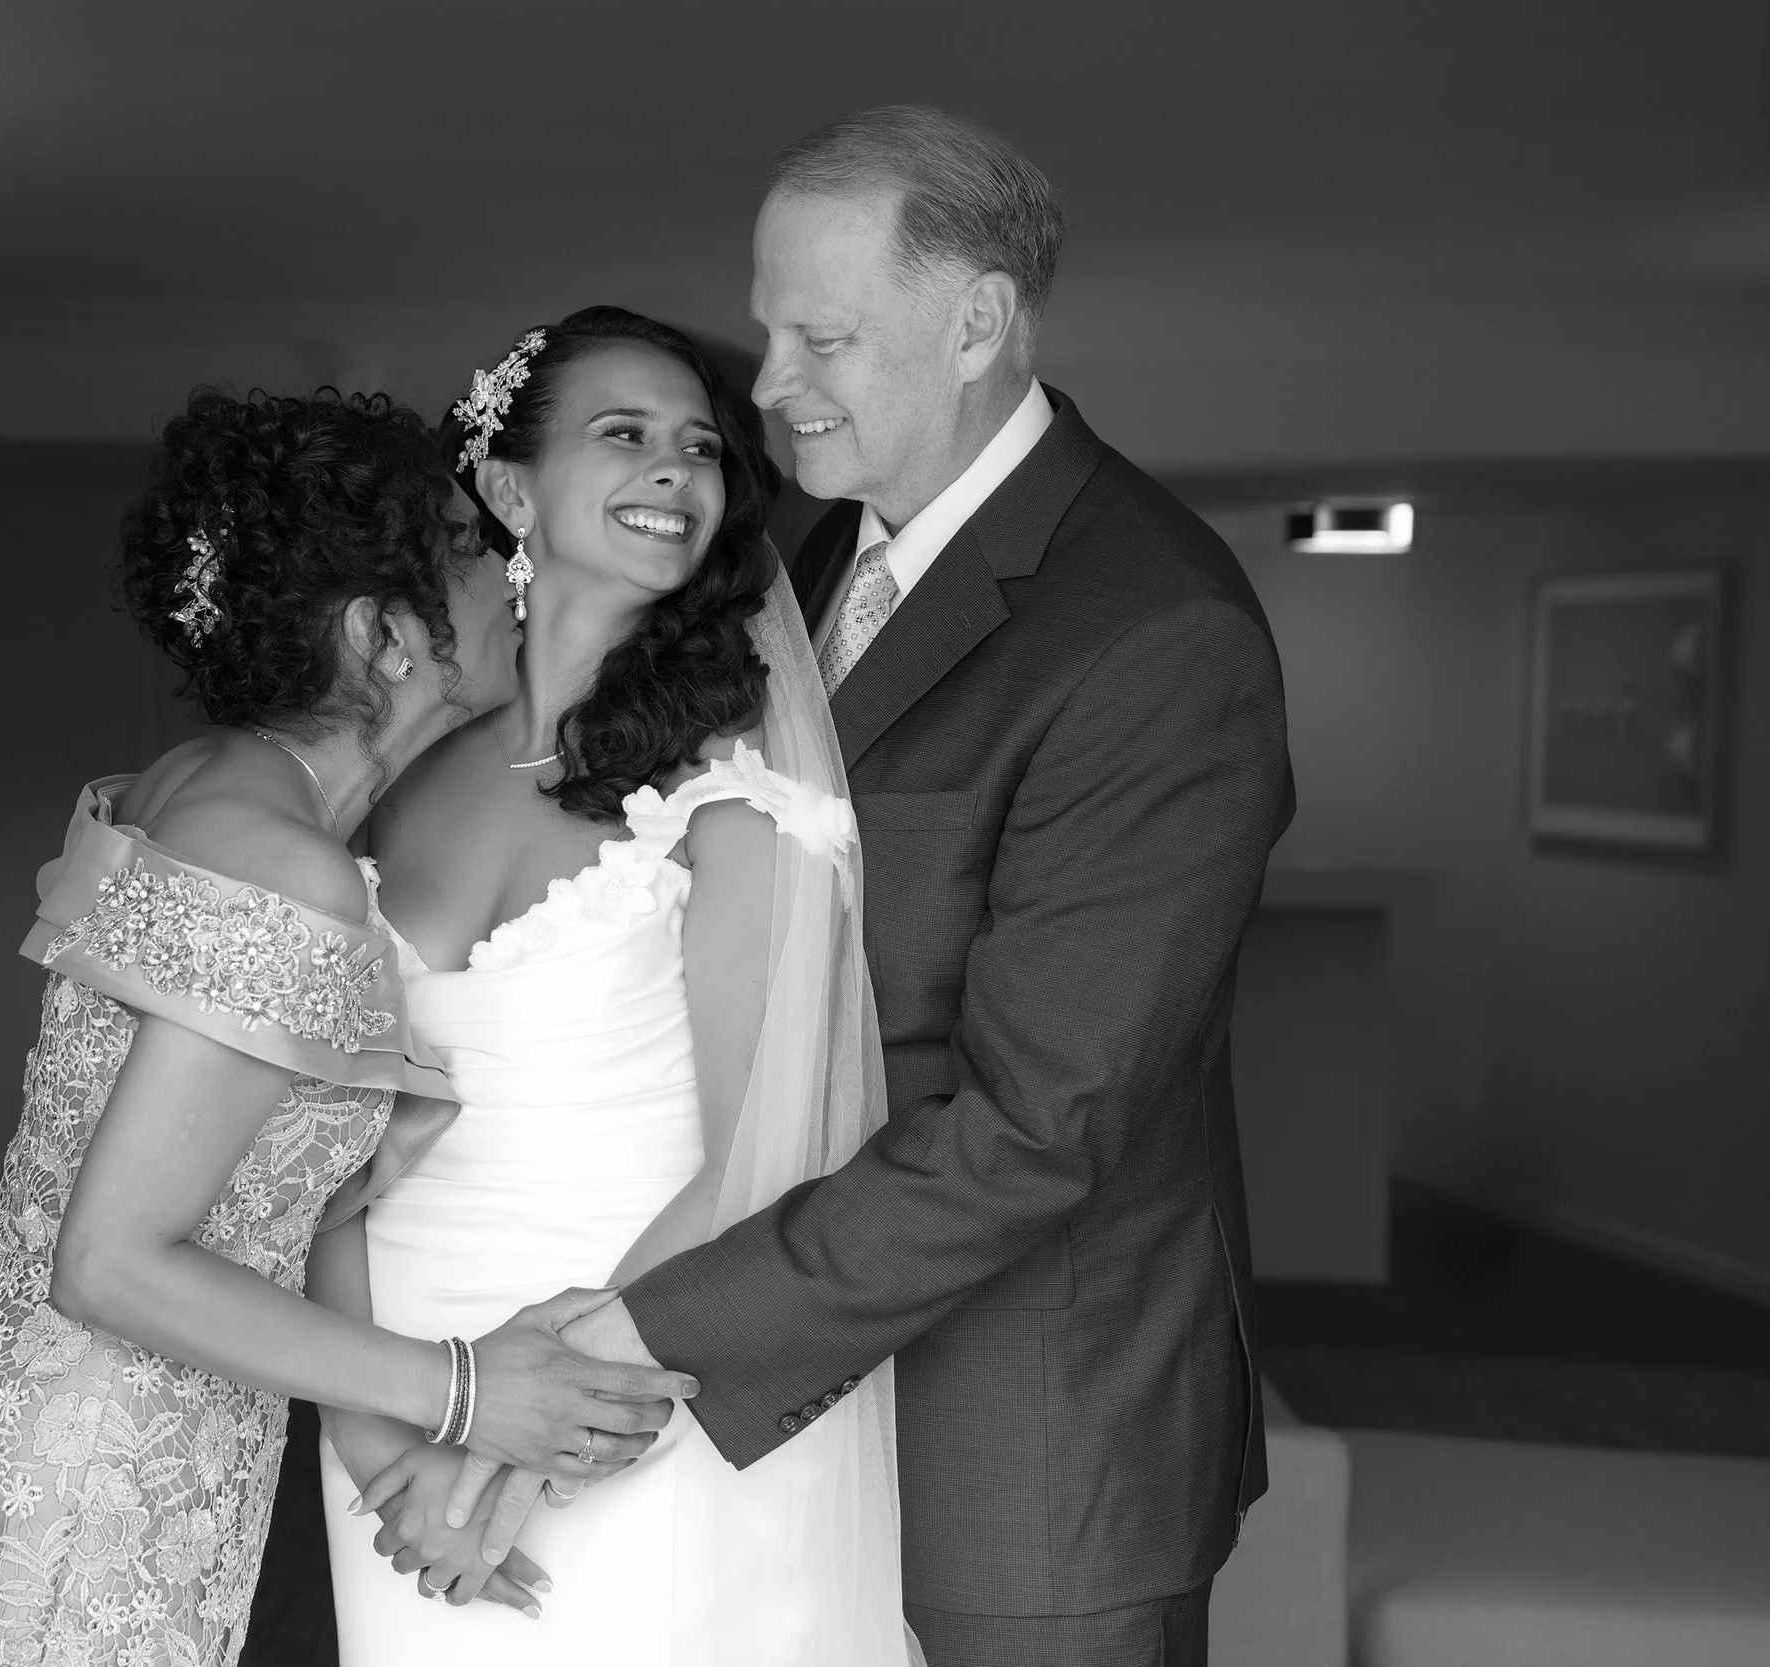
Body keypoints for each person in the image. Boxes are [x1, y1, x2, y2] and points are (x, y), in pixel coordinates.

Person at [522, 106, 1299, 1667]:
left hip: (1028, 1446)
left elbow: (1034, 1127)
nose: (767, 386)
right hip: (797, 1417)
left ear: (977, 324)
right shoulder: (806, 559)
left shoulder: (1152, 631)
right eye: (767, 330)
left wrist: (637, 1329)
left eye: (821, 336)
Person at [0, 387, 698, 1667]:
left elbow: (268, 1193)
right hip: (80, 1491)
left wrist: (387, 1441)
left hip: (45, 1441)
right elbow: (111, 1263)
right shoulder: (279, 862)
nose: (512, 578)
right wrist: (465, 1386)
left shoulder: (204, 786)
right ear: (380, 634)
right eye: (473, 555)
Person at [313, 307, 917, 1666]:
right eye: (625, 434)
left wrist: (529, 1455)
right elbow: (317, 1155)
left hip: (641, 1398)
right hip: (398, 1413)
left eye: (701, 446)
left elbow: (762, 1158)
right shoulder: (397, 779)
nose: (675, 470)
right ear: (515, 488)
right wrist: (385, 1451)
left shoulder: (734, 797)